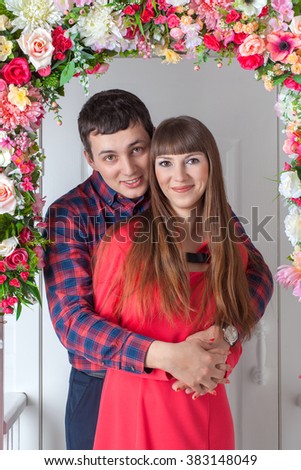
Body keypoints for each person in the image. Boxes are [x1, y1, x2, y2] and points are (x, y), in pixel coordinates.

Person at [43, 90, 273, 450]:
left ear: (154, 141)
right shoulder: (70, 214)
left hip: (193, 382)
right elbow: (72, 322)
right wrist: (167, 356)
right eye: (110, 156)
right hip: (102, 385)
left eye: (137, 149)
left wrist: (223, 339)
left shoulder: (185, 189)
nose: (130, 168)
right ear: (90, 159)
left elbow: (255, 275)